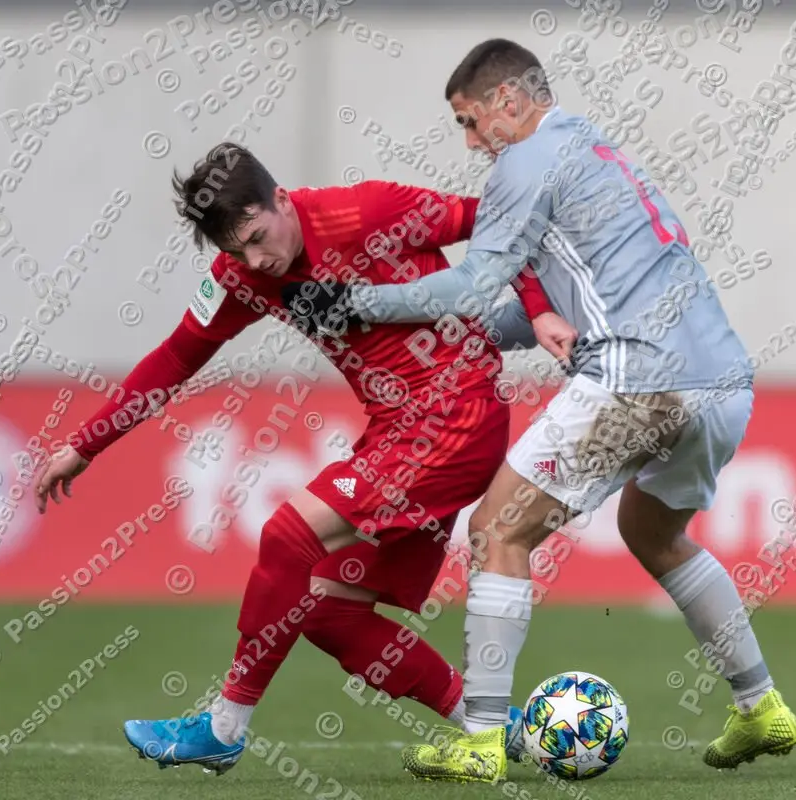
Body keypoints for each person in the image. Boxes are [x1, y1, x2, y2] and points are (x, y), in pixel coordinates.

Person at [286, 39, 796, 782]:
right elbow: (555, 307)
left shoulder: (523, 164)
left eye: (470, 122)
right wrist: (473, 340)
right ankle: (761, 706)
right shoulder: (593, 149)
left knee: (498, 528)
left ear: (510, 101)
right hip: (722, 384)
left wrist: (352, 304)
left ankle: (481, 740)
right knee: (652, 533)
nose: (470, 143)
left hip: (641, 383)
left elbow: (467, 287)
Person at [31, 142, 578, 775]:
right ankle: (493, 730)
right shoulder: (245, 275)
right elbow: (176, 358)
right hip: (395, 431)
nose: (256, 259)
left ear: (282, 201)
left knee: (287, 536)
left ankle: (223, 726)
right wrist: (83, 444)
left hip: (452, 417)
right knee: (325, 606)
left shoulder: (368, 211)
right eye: (237, 251)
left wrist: (538, 311)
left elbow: (506, 225)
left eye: (260, 236)